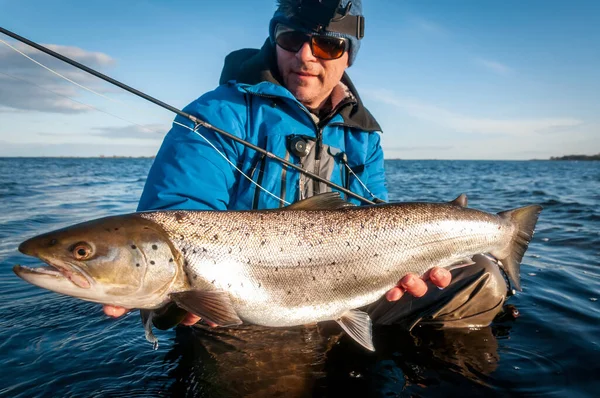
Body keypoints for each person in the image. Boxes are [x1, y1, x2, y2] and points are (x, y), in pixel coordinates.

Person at [104, 0, 507, 334]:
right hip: (243, 307)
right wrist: (164, 296)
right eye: (291, 38)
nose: (305, 56)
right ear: (274, 39)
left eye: (327, 45)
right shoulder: (216, 112)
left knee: (482, 279)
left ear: (348, 55)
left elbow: (376, 217)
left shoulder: (364, 133)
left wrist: (406, 269)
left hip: (351, 288)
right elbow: (174, 215)